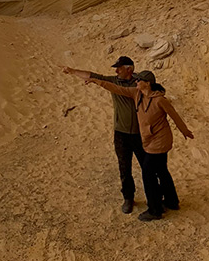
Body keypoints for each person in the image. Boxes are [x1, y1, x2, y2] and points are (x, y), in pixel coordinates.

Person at [87, 70, 194, 221]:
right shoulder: (136, 94)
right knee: (162, 170)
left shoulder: (159, 100)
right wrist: (96, 81)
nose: (136, 82)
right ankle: (172, 201)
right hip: (149, 141)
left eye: (139, 80)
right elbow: (116, 88)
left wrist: (185, 131)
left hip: (160, 142)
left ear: (148, 83)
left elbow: (174, 115)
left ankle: (155, 210)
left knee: (148, 173)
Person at [61, 56, 146, 213]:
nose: (116, 70)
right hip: (121, 133)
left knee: (147, 166)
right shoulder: (114, 81)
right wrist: (72, 71)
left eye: (119, 68)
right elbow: (92, 75)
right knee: (124, 167)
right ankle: (128, 198)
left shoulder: (141, 83)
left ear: (129, 69)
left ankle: (154, 196)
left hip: (141, 134)